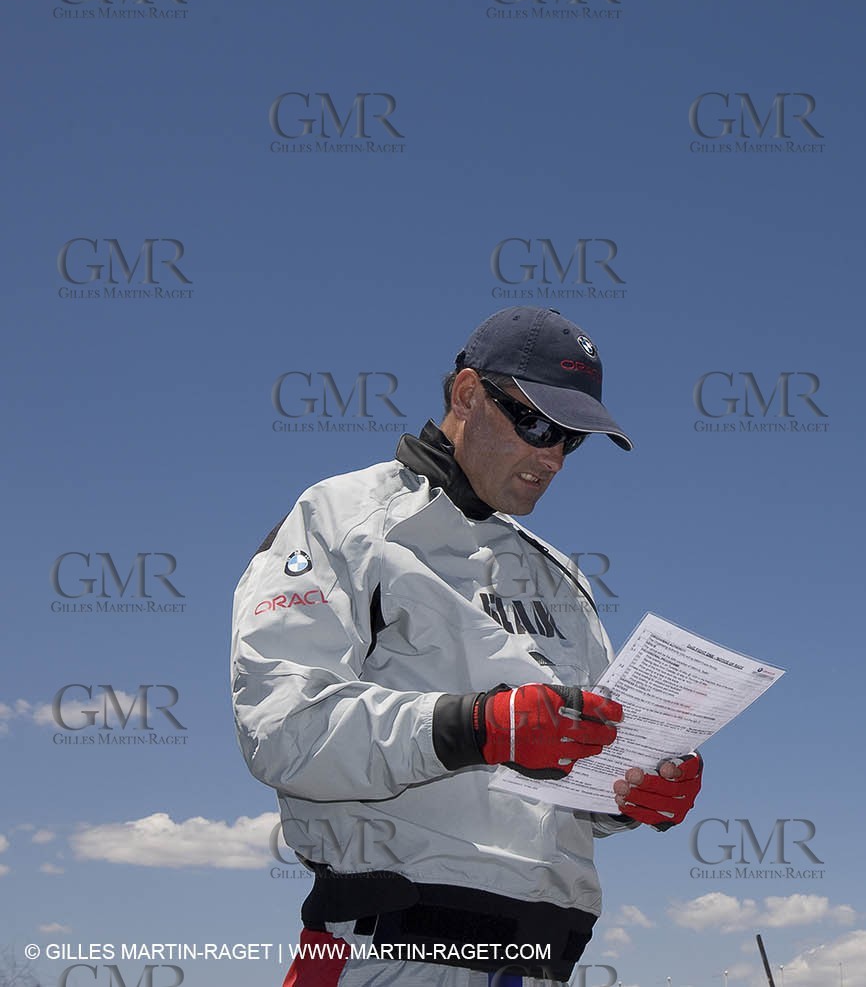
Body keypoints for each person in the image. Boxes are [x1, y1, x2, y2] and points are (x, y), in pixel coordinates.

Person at [232, 307, 703, 987]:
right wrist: (479, 726)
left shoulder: (560, 577)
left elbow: (572, 785)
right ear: (466, 394)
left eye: (571, 438)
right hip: (384, 956)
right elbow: (281, 728)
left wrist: (631, 795)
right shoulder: (339, 518)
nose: (550, 455)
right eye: (536, 422)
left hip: (542, 965)